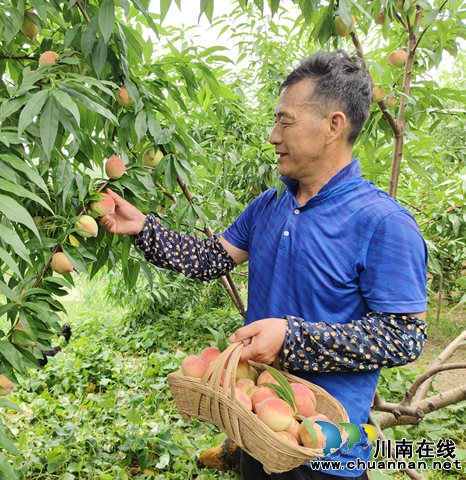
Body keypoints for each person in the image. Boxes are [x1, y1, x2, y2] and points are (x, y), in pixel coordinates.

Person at [99, 50, 428, 479]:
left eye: (285, 121)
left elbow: (404, 336)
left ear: (333, 126)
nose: (273, 135)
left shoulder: (383, 222)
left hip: (325, 450)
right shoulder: (270, 204)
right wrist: (144, 227)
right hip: (257, 427)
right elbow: (210, 259)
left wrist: (292, 337)